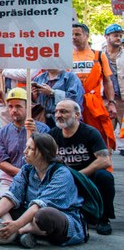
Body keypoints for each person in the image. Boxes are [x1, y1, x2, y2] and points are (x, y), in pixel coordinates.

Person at [0, 133, 87, 247]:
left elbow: (40, 205)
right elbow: (12, 196)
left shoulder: (61, 174)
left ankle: (17, 232)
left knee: (44, 214)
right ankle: (9, 230)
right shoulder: (27, 169)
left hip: (57, 219)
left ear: (42, 153)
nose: (25, 151)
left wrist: (17, 225)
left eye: (30, 148)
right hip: (30, 214)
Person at [49, 100, 115, 235]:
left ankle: (104, 219)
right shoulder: (53, 134)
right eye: (56, 111)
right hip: (64, 178)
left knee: (105, 177)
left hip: (88, 177)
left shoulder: (90, 132)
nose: (58, 115)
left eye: (63, 111)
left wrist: (79, 175)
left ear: (77, 115)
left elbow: (104, 160)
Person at [0, 88, 49, 194]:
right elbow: (0, 161)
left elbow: (48, 155)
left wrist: (36, 134)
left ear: (28, 107)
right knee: (0, 202)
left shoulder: (43, 129)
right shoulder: (3, 132)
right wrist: (22, 173)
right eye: (11, 106)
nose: (14, 110)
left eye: (18, 106)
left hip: (38, 178)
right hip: (10, 179)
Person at [72, 23, 116, 151]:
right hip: (74, 102)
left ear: (86, 36)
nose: (74, 37)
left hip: (94, 104)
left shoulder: (99, 55)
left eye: (77, 34)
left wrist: (111, 102)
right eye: (72, 34)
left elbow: (108, 81)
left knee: (98, 135)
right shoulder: (66, 56)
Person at [104, 23, 124, 133]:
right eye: (116, 35)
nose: (119, 38)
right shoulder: (99, 54)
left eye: (120, 36)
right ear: (106, 36)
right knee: (106, 133)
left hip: (122, 100)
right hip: (106, 100)